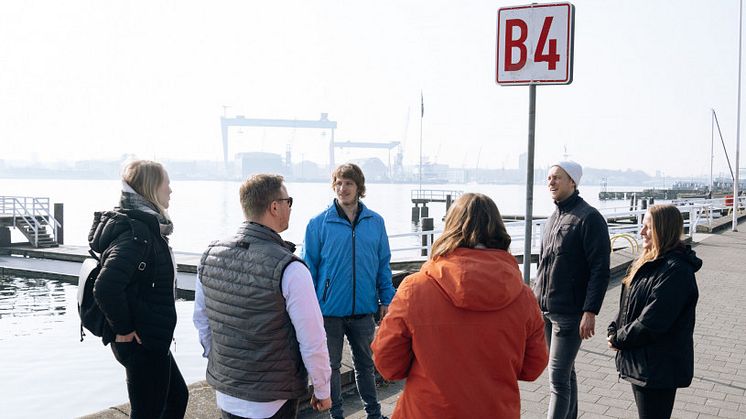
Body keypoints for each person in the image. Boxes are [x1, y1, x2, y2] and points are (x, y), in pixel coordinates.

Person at [371, 193, 548, 419]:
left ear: (450, 228)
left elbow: (387, 363)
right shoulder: (523, 297)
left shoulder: (415, 289)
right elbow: (533, 367)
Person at [193, 174, 331, 419]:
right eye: (288, 201)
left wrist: (221, 363)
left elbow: (202, 322)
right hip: (272, 399)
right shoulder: (290, 268)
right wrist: (322, 389)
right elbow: (312, 339)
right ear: (274, 207)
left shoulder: (210, 256)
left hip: (227, 392)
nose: (290, 207)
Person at [90, 159, 188, 418]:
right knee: (148, 412)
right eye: (167, 184)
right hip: (141, 342)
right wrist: (123, 329)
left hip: (151, 337)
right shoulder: (137, 235)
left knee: (177, 397)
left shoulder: (145, 227)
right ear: (152, 188)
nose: (171, 190)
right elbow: (105, 287)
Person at [302, 163, 395, 419]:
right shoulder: (318, 224)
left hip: (364, 309)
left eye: (348, 183)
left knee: (366, 365)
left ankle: (374, 414)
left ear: (358, 188)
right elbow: (308, 270)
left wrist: (387, 297)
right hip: (329, 312)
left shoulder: (375, 222)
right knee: (330, 367)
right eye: (339, 183)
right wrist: (308, 308)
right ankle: (337, 416)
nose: (343, 188)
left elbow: (382, 264)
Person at [533, 161, 611, 419]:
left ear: (573, 182)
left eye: (557, 177)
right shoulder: (552, 219)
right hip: (545, 311)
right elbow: (544, 265)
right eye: (548, 178)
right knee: (566, 373)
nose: (551, 182)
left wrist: (590, 310)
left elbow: (600, 269)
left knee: (557, 379)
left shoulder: (589, 218)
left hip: (569, 314)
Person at [607, 205, 701, 419]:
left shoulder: (676, 271)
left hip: (659, 367)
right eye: (642, 226)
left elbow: (653, 321)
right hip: (644, 362)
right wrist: (614, 327)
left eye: (648, 228)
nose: (641, 232)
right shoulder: (648, 261)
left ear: (663, 229)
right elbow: (629, 304)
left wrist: (618, 339)